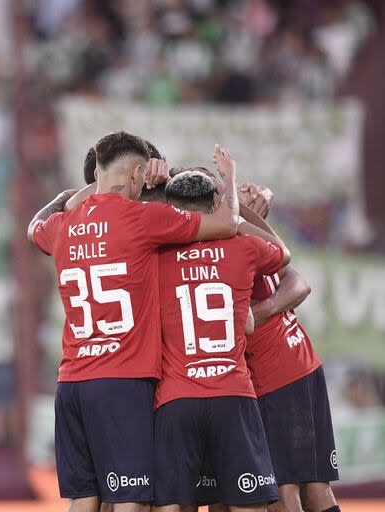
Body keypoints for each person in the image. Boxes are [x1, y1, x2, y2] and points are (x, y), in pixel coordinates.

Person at [27, 132, 240, 512]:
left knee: (84, 499)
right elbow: (225, 223)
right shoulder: (142, 217)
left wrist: (66, 197)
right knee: (131, 500)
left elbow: (34, 227)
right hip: (121, 380)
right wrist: (226, 179)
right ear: (139, 172)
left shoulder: (64, 225)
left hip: (71, 382)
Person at [152, 166, 291, 512]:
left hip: (176, 398)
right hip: (233, 396)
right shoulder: (242, 248)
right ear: (213, 206)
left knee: (173, 506)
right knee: (249, 505)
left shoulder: (154, 258)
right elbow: (282, 253)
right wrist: (235, 215)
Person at [241, 186, 340, 512]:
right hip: (301, 361)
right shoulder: (248, 236)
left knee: (285, 491)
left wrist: (259, 313)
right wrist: (248, 213)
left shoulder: (224, 242)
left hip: (275, 374)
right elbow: (295, 277)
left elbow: (300, 281)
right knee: (315, 487)